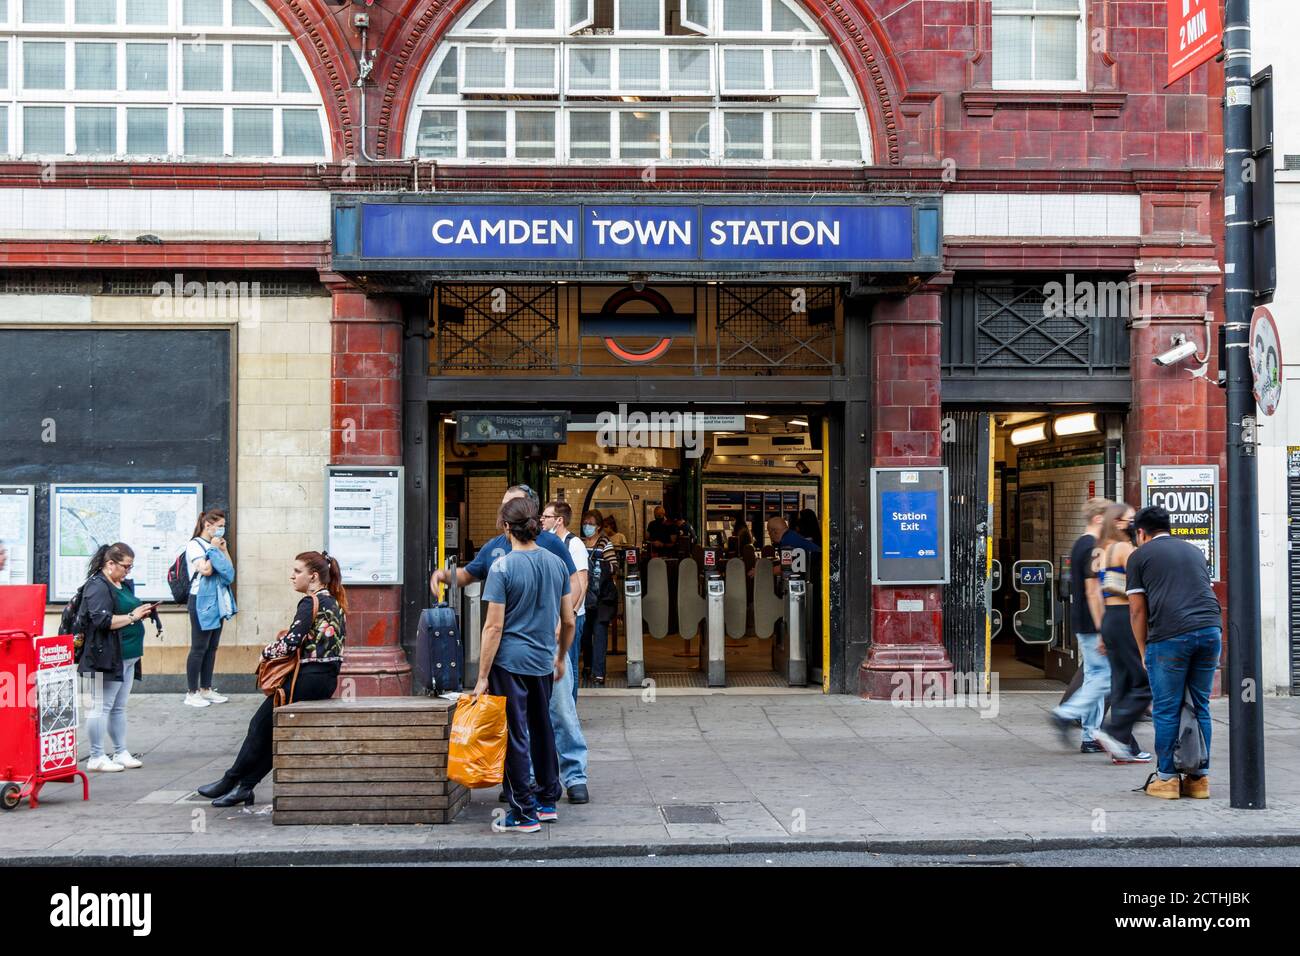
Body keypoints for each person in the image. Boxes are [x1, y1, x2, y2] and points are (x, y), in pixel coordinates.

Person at [431, 485, 591, 805]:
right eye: (505, 506)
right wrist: (445, 575)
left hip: (543, 647)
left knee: (558, 713)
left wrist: (563, 621)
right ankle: (528, 782)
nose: (507, 513)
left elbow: (574, 582)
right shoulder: (494, 549)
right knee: (523, 721)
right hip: (519, 655)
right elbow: (469, 574)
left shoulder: (549, 545)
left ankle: (574, 777)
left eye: (512, 506)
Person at [197, 551, 347, 808]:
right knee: (271, 731)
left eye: (297, 571)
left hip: (306, 678)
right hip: (325, 679)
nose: (292, 576)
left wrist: (265, 652)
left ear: (313, 577)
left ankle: (230, 780)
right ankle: (244, 787)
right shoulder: (334, 602)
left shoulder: (310, 603)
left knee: (259, 726)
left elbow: (290, 644)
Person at [470, 496, 576, 832]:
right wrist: (560, 657)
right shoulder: (556, 564)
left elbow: (493, 627)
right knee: (543, 727)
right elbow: (569, 620)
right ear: (536, 525)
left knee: (516, 733)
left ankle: (524, 811)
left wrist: (482, 675)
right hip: (543, 661)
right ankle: (547, 800)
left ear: (506, 527)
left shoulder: (502, 567)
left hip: (509, 663)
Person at [1125, 506, 1223, 799]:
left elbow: (1137, 611)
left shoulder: (1139, 556)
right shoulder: (1194, 551)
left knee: (1167, 709)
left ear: (1141, 533)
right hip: (1210, 630)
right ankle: (1198, 779)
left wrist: (1143, 650)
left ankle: (1167, 778)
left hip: (1170, 635)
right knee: (1199, 705)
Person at [79, 543, 160, 773]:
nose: (128, 571)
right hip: (106, 657)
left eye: (131, 567)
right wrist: (133, 616)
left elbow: (125, 613)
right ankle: (96, 755)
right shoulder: (97, 586)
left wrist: (140, 613)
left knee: (118, 707)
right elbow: (101, 621)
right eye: (126, 566)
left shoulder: (120, 584)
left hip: (128, 655)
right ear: (110, 563)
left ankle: (120, 751)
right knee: (100, 707)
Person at [1089, 504, 1152, 765]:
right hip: (1126, 617)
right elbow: (1140, 586)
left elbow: (1099, 592)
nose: (1134, 523)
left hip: (1112, 620)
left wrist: (1103, 630)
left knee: (1122, 681)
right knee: (1143, 680)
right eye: (1130, 519)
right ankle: (1113, 733)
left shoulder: (1102, 550)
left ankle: (1124, 746)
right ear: (1117, 522)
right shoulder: (1125, 549)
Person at [1049, 497, 1111, 753]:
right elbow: (1093, 590)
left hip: (1081, 620)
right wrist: (1103, 627)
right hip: (1092, 622)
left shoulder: (1079, 545)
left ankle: (1090, 735)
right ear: (1098, 519)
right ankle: (1066, 714)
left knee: (1096, 677)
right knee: (1104, 677)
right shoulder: (1094, 548)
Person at [184, 508, 236, 709]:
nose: (222, 530)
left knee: (212, 647)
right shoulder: (194, 545)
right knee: (199, 647)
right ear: (208, 525)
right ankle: (192, 691)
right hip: (200, 600)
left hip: (218, 600)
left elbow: (229, 571)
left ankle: (206, 688)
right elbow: (205, 570)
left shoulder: (217, 544)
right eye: (220, 526)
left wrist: (223, 550)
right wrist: (213, 550)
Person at [541, 501, 587, 709]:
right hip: (552, 615)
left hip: (571, 615)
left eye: (546, 517)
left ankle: (571, 710)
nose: (541, 520)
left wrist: (572, 614)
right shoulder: (547, 543)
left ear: (559, 520)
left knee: (569, 662)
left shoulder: (574, 544)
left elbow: (582, 582)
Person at [580, 509, 617, 685]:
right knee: (585, 633)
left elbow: (614, 567)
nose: (587, 526)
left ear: (599, 527)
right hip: (584, 595)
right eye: (585, 523)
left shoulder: (605, 543)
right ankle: (587, 665)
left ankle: (598, 672)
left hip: (603, 596)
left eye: (591, 524)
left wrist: (598, 568)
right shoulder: (579, 543)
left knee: (600, 632)